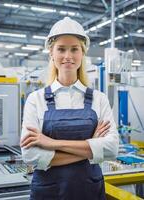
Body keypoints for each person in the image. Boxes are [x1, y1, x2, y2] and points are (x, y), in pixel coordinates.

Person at [20, 17, 119, 200]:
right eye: (61, 49)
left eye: (74, 49)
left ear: (82, 53)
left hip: (89, 191)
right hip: (48, 193)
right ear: (51, 53)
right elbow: (30, 155)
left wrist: (51, 143)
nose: (68, 56)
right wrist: (91, 147)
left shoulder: (99, 99)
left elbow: (112, 148)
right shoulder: (36, 100)